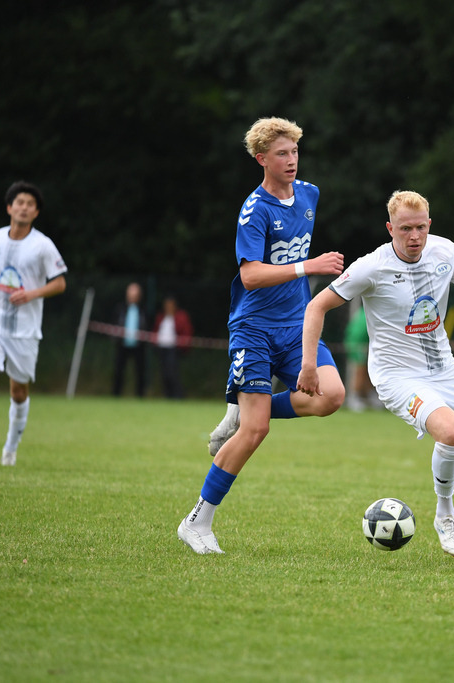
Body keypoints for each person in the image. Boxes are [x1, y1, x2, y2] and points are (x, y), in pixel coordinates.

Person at [297, 190, 454, 564]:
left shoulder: (445, 251)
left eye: (420, 228)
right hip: (396, 376)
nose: (414, 236)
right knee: (451, 432)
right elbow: (317, 305)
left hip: (443, 368)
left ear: (429, 225)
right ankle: (445, 515)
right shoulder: (372, 266)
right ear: (390, 229)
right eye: (405, 229)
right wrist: (307, 365)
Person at [177, 117, 345, 554]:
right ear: (261, 160)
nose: (291, 161)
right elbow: (250, 276)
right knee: (256, 432)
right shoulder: (254, 210)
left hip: (295, 325)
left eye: (294, 152)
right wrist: (308, 266)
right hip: (253, 329)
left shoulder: (309, 195)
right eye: (281, 154)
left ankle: (248, 410)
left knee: (331, 395)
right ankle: (198, 522)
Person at [0, 180, 67, 466]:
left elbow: (60, 282)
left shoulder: (43, 246)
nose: (24, 208)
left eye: (30, 204)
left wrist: (32, 293)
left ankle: (10, 448)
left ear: (36, 212)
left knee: (18, 391)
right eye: (19, 203)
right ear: (10, 207)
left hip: (25, 329)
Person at [112, 282, 148, 397]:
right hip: (122, 344)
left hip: (139, 345)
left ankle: (140, 396)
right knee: (118, 371)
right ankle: (115, 395)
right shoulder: (120, 308)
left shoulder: (143, 310)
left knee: (140, 372)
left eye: (135, 293)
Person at [153, 295, 194, 399]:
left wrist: (183, 345)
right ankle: (167, 395)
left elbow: (186, 331)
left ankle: (177, 395)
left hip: (174, 348)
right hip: (162, 348)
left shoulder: (180, 316)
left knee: (172, 372)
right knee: (164, 373)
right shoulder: (161, 317)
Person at [343, 304, 376, 411]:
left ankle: (369, 396)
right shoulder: (371, 311)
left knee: (368, 370)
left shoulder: (366, 310)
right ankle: (354, 398)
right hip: (357, 343)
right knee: (359, 370)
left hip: (361, 341)